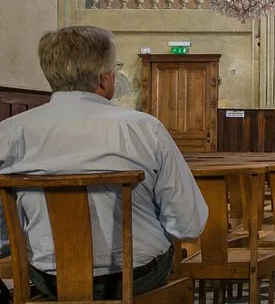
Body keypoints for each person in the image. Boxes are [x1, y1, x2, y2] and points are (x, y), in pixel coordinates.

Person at [0, 26, 208, 300]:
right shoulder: (145, 129)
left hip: (50, 278)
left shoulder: (9, 132)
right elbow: (188, 223)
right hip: (137, 276)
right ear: (104, 79)